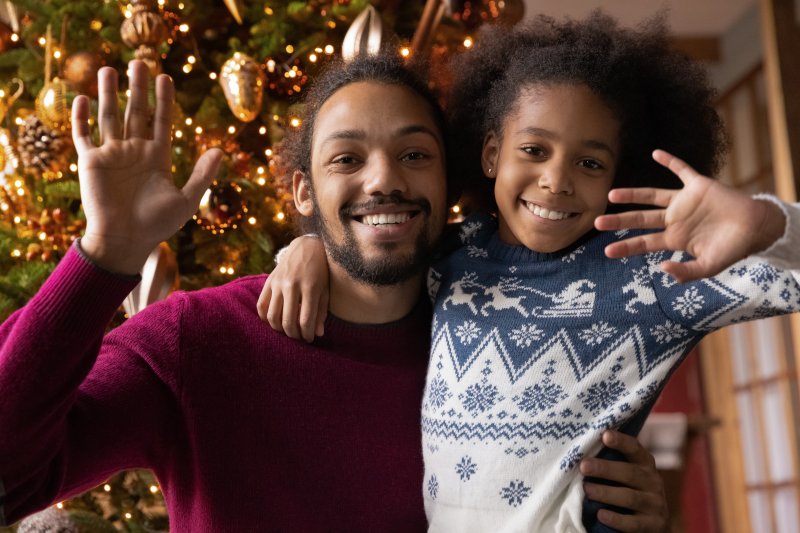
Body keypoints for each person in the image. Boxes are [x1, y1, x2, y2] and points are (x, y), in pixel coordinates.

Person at [0, 57, 668, 531]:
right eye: (346, 159)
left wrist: (633, 514)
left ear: (449, 180)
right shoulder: (195, 340)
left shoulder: (505, 342)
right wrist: (105, 255)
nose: (386, 180)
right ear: (301, 192)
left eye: (414, 155)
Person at [260, 12, 800, 533]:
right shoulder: (453, 254)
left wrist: (769, 224)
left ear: (618, 171)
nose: (556, 181)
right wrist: (305, 246)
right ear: (492, 154)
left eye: (589, 163)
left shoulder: (649, 269)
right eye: (534, 149)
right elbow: (374, 247)